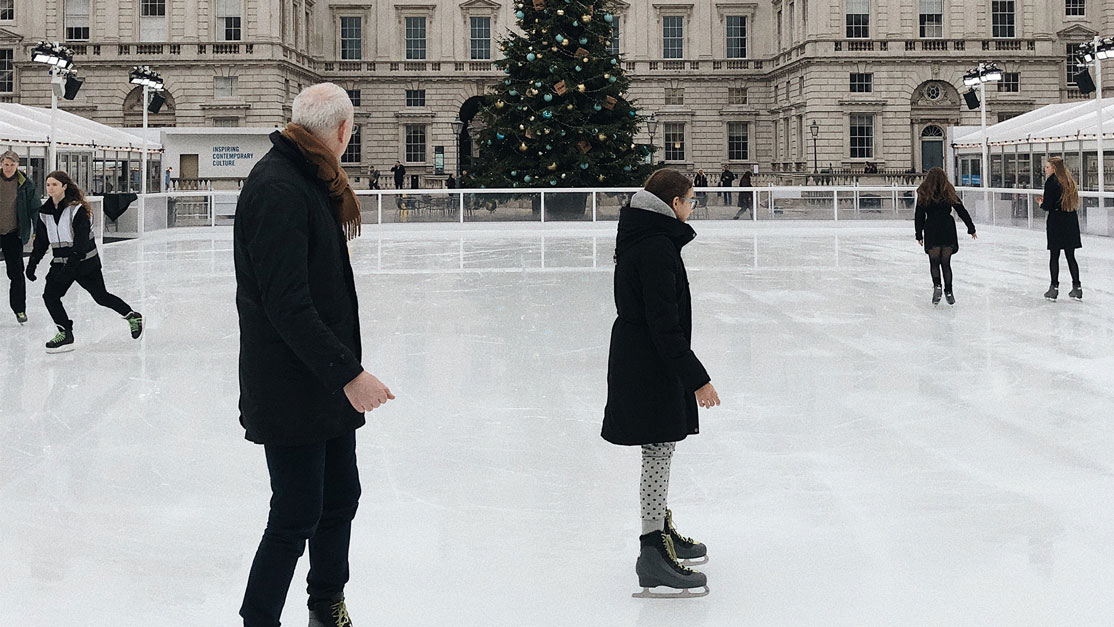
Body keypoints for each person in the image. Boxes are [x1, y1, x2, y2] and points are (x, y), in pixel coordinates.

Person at [234, 83, 394, 627]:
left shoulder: (308, 179)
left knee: (339, 498)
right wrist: (349, 374)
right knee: (296, 513)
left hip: (320, 384)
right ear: (345, 131)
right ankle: (259, 619)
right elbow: (287, 304)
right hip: (291, 386)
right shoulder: (279, 188)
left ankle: (327, 602)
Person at [604, 168, 720, 597]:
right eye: (691, 200)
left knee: (660, 450)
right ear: (673, 204)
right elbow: (664, 325)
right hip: (648, 364)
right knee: (657, 452)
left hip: (645, 360)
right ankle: (652, 550)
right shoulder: (655, 247)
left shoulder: (650, 238)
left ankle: (660, 531)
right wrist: (698, 379)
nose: (693, 207)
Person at [25, 170, 142, 352]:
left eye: (55, 184)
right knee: (50, 296)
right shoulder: (44, 213)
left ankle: (132, 316)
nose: (50, 188)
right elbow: (41, 242)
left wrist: (69, 269)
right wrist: (32, 264)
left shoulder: (77, 210)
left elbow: (80, 244)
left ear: (64, 186)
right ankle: (65, 332)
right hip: (60, 262)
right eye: (48, 184)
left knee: (101, 297)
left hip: (85, 264)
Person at [914, 168, 976, 306]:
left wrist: (918, 234)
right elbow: (961, 210)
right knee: (946, 263)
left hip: (931, 228)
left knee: (934, 262)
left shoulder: (924, 192)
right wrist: (971, 228)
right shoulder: (948, 191)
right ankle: (949, 290)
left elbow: (919, 215)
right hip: (947, 228)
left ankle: (937, 286)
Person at [1, 150, 39, 325]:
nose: (8, 168)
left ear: (17, 166)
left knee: (16, 273)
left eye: (12, 164)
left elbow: (35, 209)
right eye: (6, 164)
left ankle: (19, 309)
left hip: (13, 234)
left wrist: (37, 232)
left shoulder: (26, 185)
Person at [1036, 157, 1082, 301]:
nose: (1045, 169)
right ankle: (1077, 287)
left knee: (1054, 256)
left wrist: (1041, 204)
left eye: (1048, 167)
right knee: (1070, 256)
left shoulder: (1051, 182)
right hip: (1070, 220)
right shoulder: (1069, 181)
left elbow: (1048, 205)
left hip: (1057, 221)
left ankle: (1054, 287)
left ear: (1054, 168)